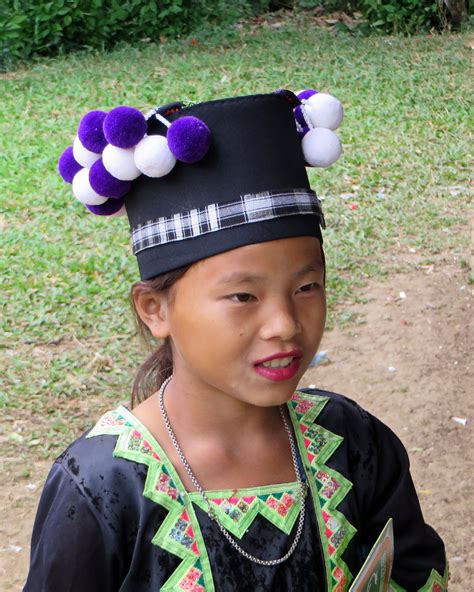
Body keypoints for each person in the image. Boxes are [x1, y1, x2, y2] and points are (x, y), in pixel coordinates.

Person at [25, 89, 447, 591]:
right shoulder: (101, 487)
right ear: (155, 309)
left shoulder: (353, 444)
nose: (285, 324)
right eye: (244, 296)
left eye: (307, 287)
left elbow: (415, 571)